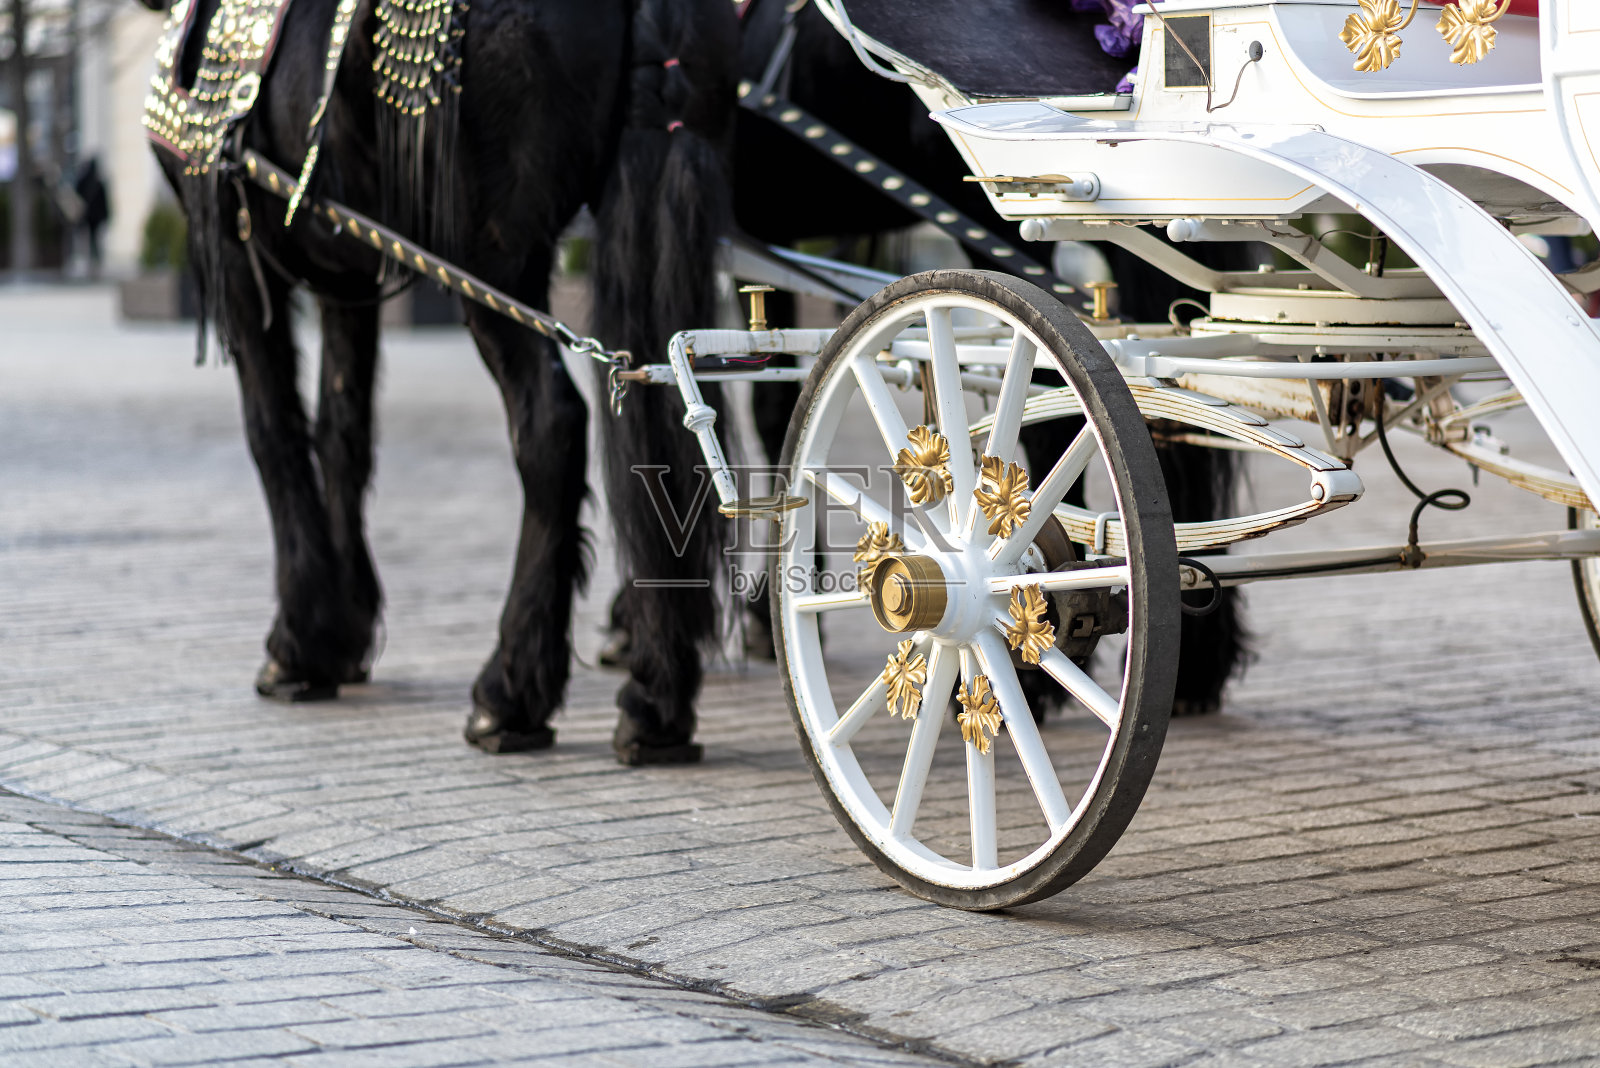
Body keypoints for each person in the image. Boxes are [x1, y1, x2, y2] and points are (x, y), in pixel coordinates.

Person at [74, 158, 110, 278]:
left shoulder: (85, 181)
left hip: (88, 217)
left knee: (91, 241)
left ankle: (92, 264)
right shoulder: (97, 182)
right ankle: (93, 263)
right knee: (93, 242)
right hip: (93, 218)